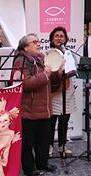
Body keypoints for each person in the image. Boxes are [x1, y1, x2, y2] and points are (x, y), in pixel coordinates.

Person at [11, 33, 58, 176]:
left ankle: (42, 163)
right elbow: (25, 84)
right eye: (34, 42)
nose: (38, 44)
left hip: (44, 108)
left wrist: (57, 71)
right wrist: (46, 74)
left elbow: (51, 81)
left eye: (38, 41)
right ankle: (29, 168)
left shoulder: (42, 59)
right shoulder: (20, 61)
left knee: (43, 139)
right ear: (25, 46)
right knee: (28, 142)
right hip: (29, 110)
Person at [48, 26, 76, 156]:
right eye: (56, 36)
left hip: (67, 89)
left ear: (65, 39)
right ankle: (48, 148)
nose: (59, 38)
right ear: (52, 39)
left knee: (64, 120)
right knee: (51, 121)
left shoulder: (68, 53)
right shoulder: (48, 53)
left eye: (61, 36)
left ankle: (62, 146)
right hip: (54, 91)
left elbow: (72, 70)